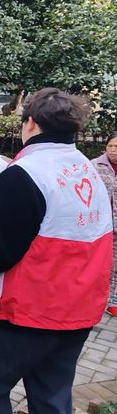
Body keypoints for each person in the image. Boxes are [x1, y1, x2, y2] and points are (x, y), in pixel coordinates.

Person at [0, 88, 113, 414]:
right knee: (51, 398)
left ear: (30, 123)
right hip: (77, 313)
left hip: (24, 314)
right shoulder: (88, 172)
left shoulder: (24, 175)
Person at [92, 131, 117, 317]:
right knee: (97, 262)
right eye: (110, 146)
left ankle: (112, 301)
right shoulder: (93, 166)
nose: (113, 150)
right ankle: (92, 297)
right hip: (99, 225)